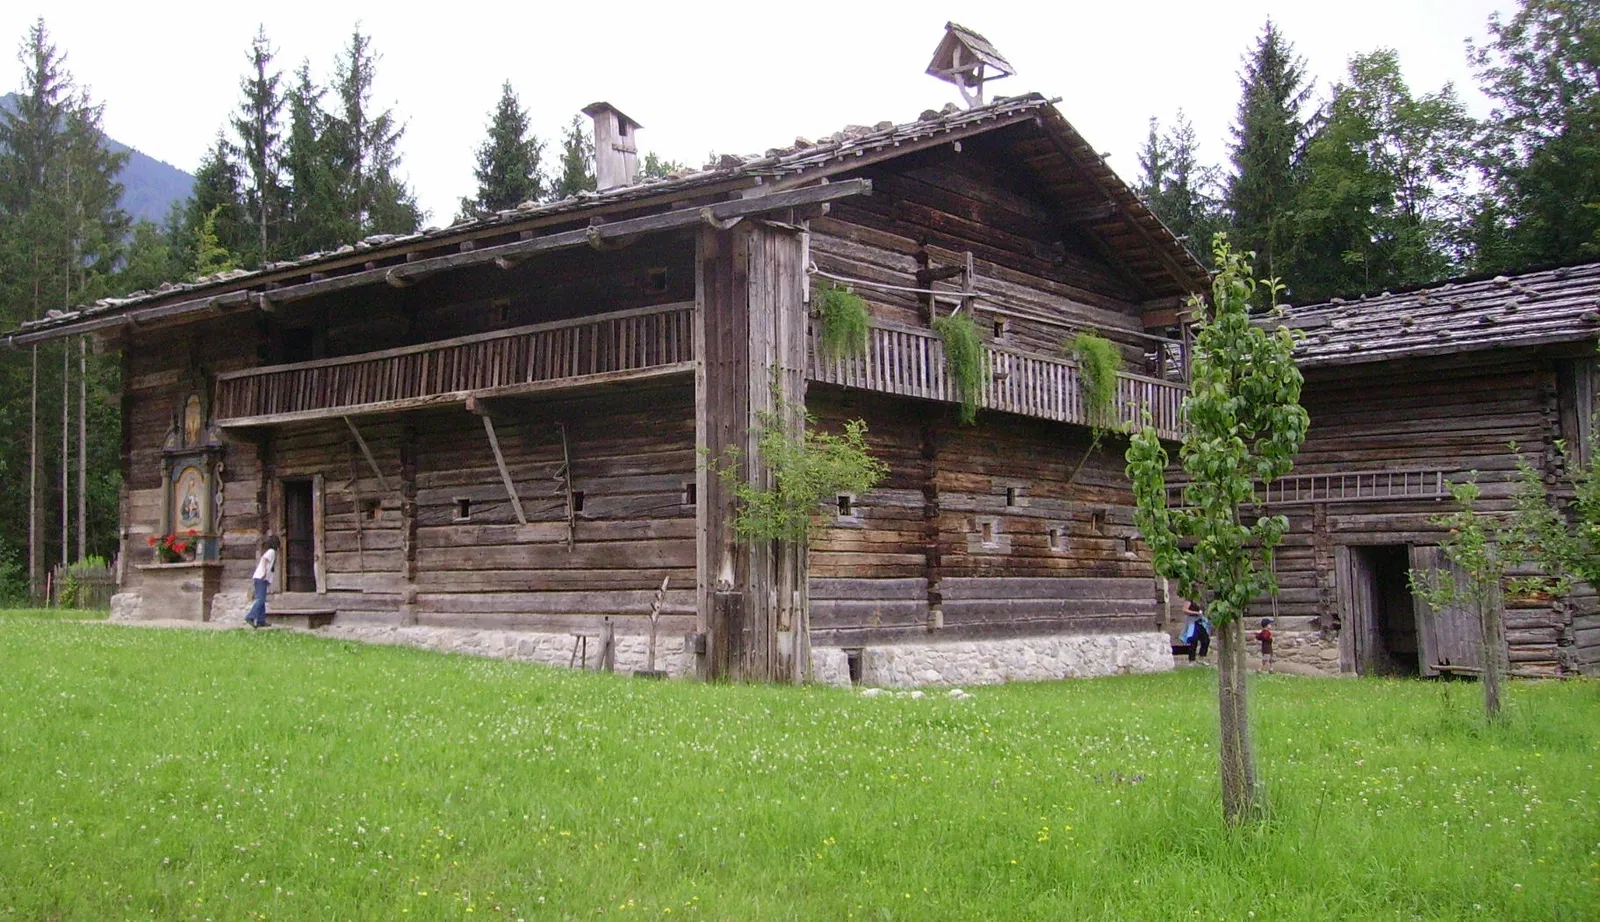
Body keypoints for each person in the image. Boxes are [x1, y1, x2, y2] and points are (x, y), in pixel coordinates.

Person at [245, 536, 279, 628]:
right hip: (261, 578)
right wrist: (264, 573)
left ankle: (261, 620)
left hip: (261, 578)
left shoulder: (271, 552)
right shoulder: (271, 552)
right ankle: (250, 616)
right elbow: (264, 560)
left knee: (262, 599)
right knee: (261, 599)